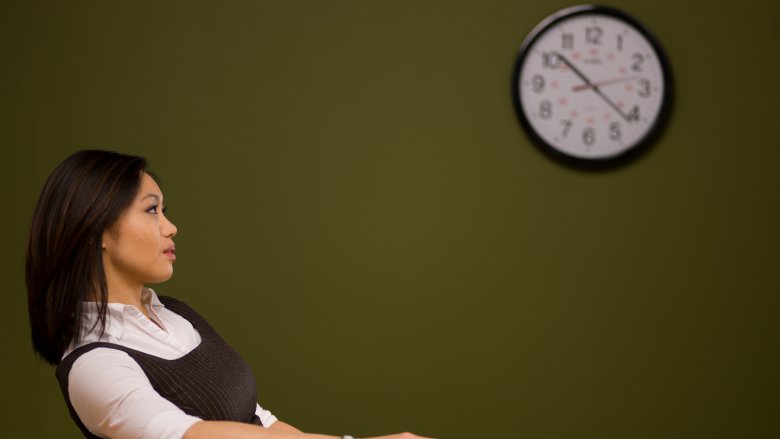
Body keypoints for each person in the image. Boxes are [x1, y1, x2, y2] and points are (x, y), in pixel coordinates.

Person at [26, 150, 435, 439]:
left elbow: (258, 420)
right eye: (152, 210)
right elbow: (187, 435)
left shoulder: (176, 315)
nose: (170, 228)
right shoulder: (94, 365)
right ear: (97, 230)